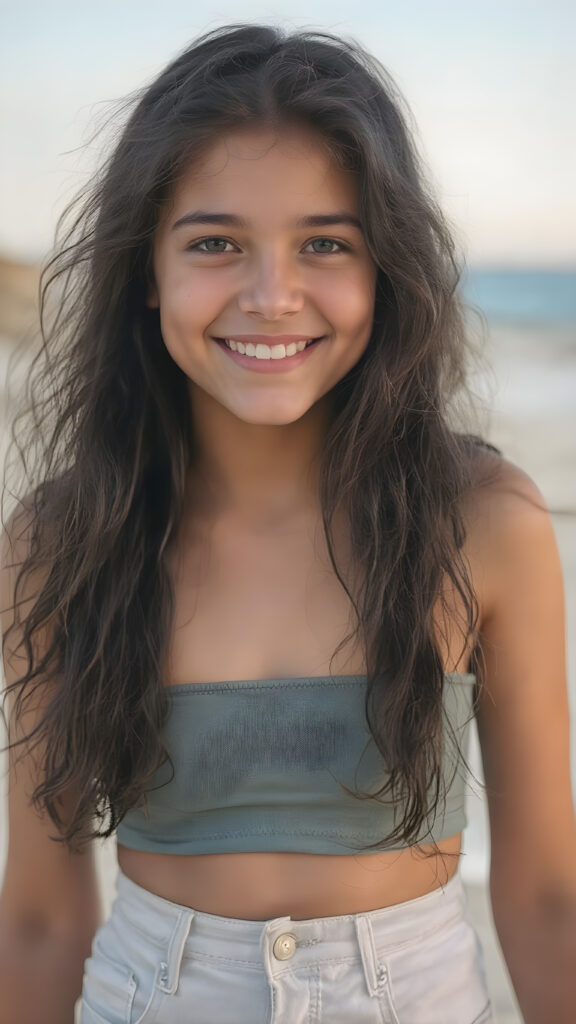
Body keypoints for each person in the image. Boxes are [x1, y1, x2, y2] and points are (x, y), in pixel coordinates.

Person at [0, 23, 574, 1024]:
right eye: (216, 243)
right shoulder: (62, 544)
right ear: (148, 271)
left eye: (325, 243)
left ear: (384, 267)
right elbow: (42, 919)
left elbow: (548, 897)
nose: (273, 296)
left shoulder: (482, 522)